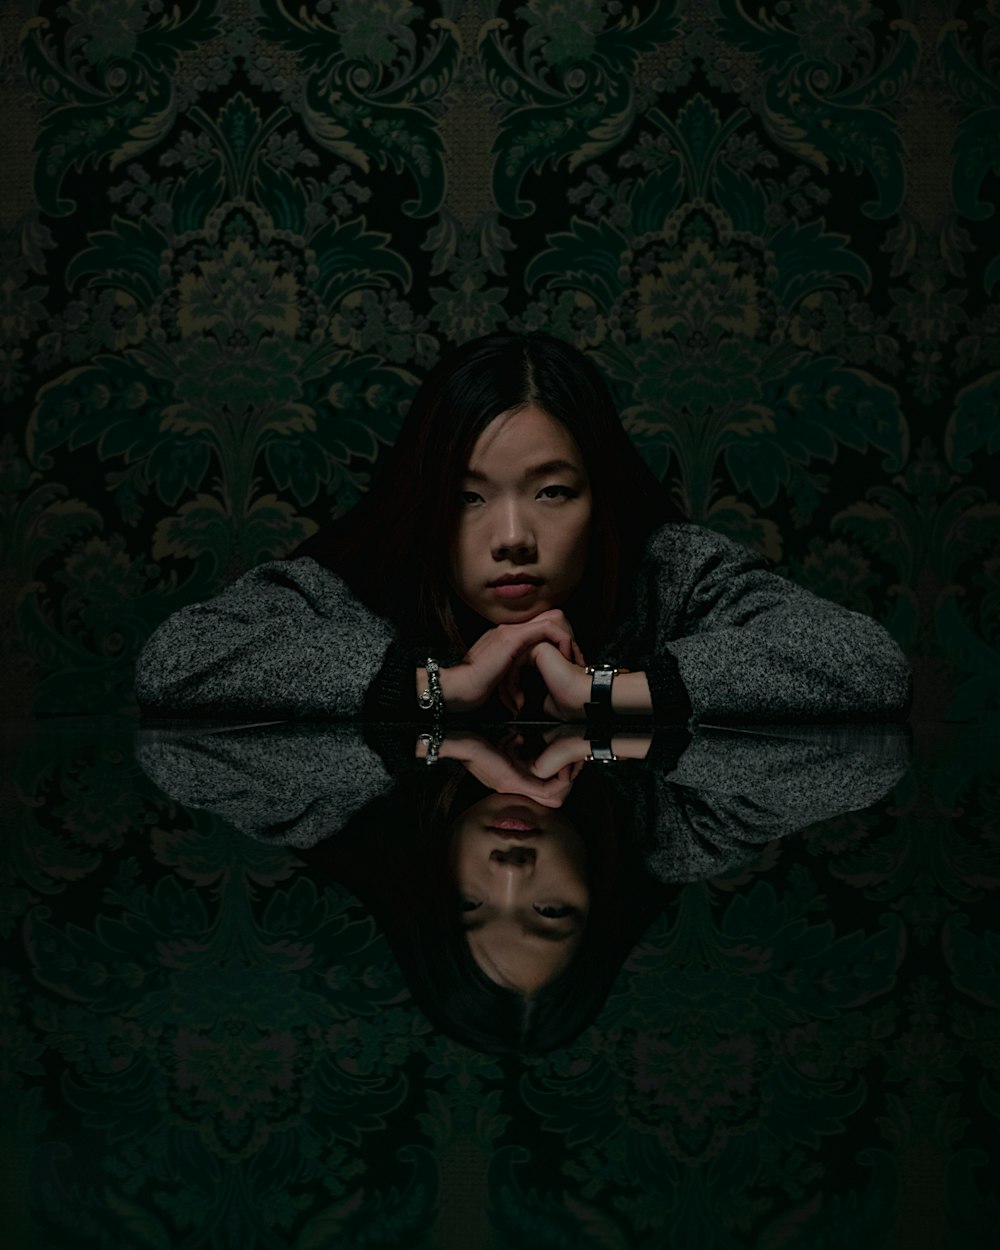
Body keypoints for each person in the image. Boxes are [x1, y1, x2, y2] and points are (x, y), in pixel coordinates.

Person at [134, 332, 912, 726]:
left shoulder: (666, 574)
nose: (512, 537)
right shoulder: (366, 585)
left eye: (552, 492)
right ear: (424, 503)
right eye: (469, 499)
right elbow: (175, 661)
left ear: (599, 497)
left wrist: (605, 693)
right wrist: (445, 687)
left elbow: (870, 665)